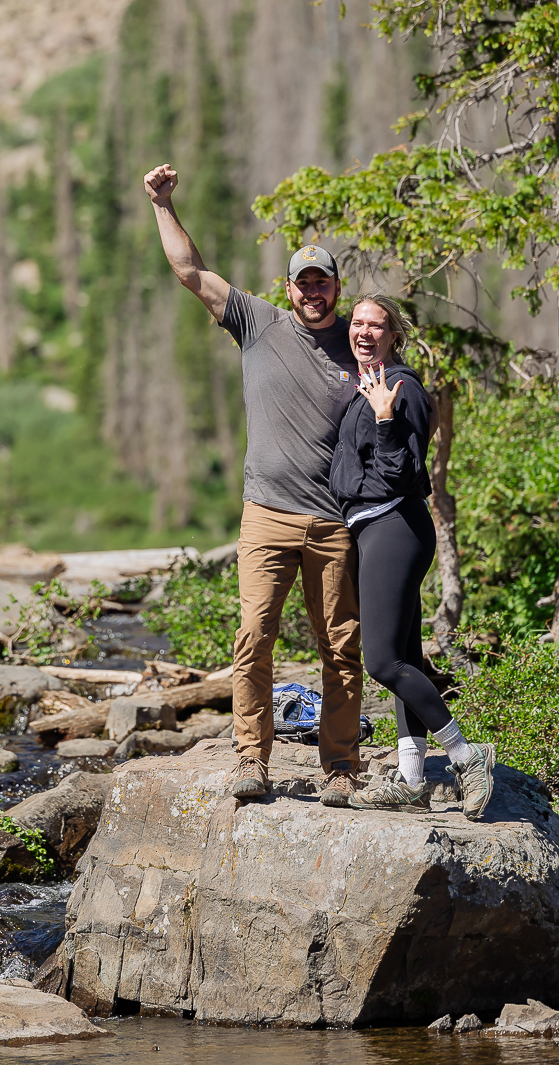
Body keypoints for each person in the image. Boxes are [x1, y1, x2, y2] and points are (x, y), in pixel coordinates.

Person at [143, 162, 363, 806]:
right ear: (288, 288)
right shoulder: (257, 323)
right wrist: (161, 204)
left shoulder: (360, 348)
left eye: (322, 282)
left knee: (342, 646)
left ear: (336, 287)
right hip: (266, 514)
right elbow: (190, 272)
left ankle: (341, 766)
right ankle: (252, 761)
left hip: (334, 522)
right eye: (303, 282)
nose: (312, 292)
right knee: (254, 639)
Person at [329, 292, 495, 820]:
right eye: (356, 323)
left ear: (393, 335)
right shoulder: (364, 387)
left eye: (376, 326)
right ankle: (411, 777)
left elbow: (403, 475)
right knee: (405, 653)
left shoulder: (403, 389)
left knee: (380, 660)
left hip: (394, 526)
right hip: (374, 529)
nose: (364, 332)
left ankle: (468, 757)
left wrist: (383, 419)